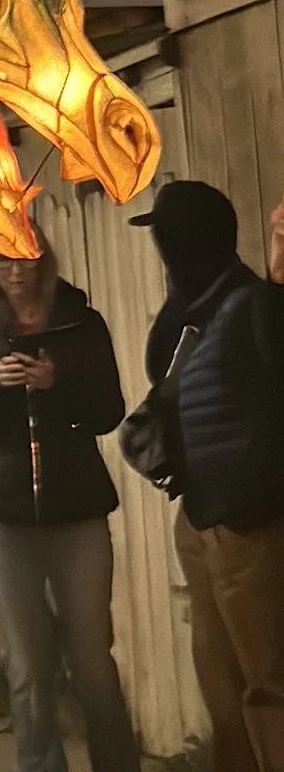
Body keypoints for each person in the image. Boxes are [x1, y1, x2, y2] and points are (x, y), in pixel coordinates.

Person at [0, 239, 138, 772]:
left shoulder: (82, 324)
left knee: (92, 660)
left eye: (24, 256)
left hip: (77, 506)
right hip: (3, 509)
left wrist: (56, 386)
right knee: (27, 665)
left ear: (44, 260)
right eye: (3, 258)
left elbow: (109, 411)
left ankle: (117, 763)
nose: (15, 269)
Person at [132, 181, 284, 772]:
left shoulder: (253, 304)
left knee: (266, 679)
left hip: (247, 518)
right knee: (221, 684)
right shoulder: (190, 307)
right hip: (199, 510)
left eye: (170, 239)